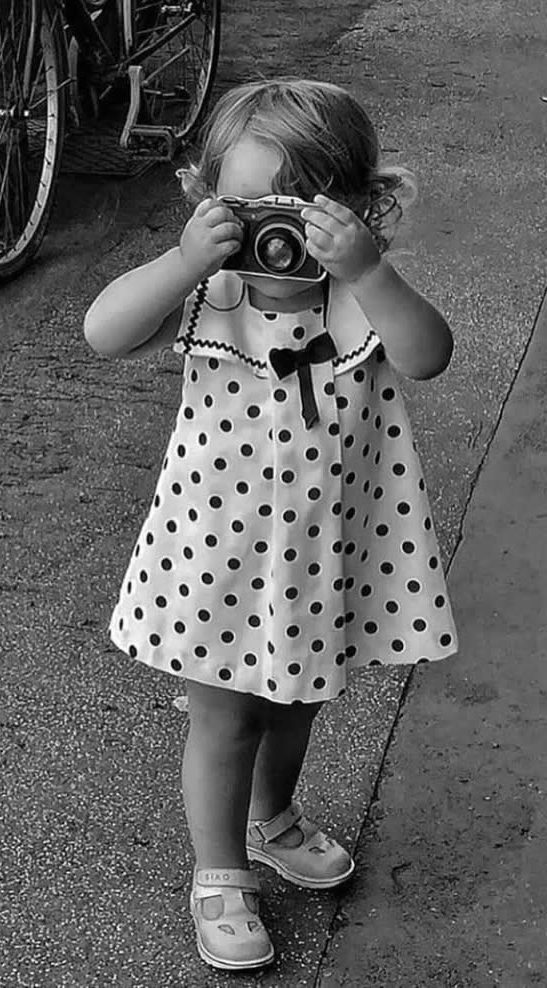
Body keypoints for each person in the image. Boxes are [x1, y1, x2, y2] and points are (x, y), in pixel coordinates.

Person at [83, 77, 458, 972]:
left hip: (324, 555)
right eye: (242, 213)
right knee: (224, 719)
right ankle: (219, 874)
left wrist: (367, 267)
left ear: (356, 210)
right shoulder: (212, 296)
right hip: (219, 555)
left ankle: (272, 818)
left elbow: (430, 355)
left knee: (297, 705)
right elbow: (104, 332)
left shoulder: (357, 297)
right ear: (204, 202)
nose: (269, 241)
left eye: (290, 216)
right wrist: (185, 260)